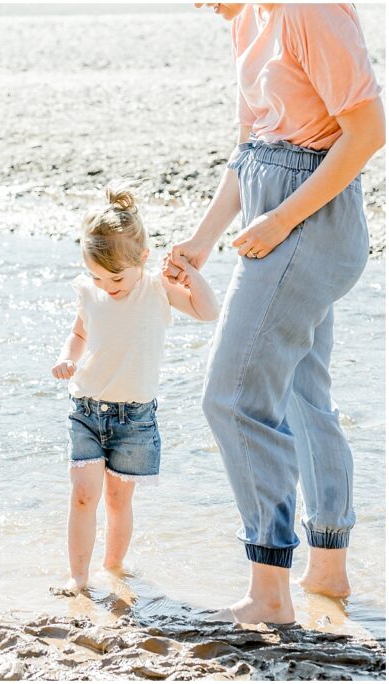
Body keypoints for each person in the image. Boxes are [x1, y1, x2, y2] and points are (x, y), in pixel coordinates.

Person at [167, 4, 384, 623]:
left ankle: (268, 591)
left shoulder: (307, 9)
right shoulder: (248, 17)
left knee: (231, 398)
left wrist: (283, 219)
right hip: (273, 211)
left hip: (310, 220)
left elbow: (368, 131)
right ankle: (329, 569)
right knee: (301, 395)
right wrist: (204, 240)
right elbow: (251, 148)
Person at [53, 185, 218, 593]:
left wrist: (191, 272)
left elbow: (208, 311)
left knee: (117, 502)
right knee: (83, 495)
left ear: (142, 259)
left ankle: (114, 568)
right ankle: (78, 579)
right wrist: (68, 356)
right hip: (87, 408)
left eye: (116, 277)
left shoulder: (155, 289)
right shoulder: (90, 292)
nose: (107, 285)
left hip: (135, 418)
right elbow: (78, 334)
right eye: (96, 275)